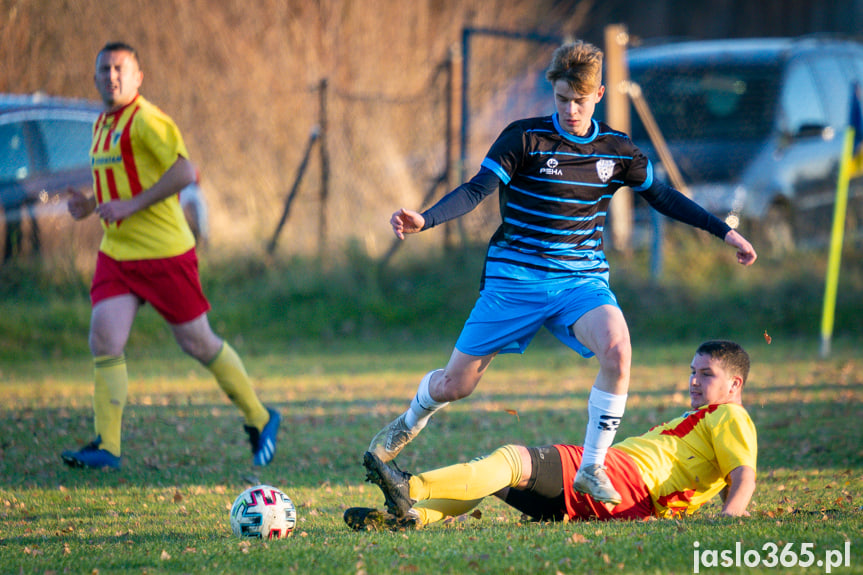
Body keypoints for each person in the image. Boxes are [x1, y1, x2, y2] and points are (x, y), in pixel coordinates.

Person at [368, 40, 758, 505]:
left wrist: (724, 231)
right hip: (514, 281)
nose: (570, 109)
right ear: (552, 94)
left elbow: (664, 196)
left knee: (617, 349)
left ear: (599, 94)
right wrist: (425, 219)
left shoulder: (617, 150)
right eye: (561, 99)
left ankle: (592, 466)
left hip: (580, 282)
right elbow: (477, 190)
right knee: (457, 385)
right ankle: (410, 420)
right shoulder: (524, 139)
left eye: (579, 100)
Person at [60, 42, 279, 470]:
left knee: (197, 342)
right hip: (117, 254)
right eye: (104, 69)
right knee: (104, 339)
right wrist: (90, 204)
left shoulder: (148, 120)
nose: (112, 76)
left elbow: (185, 171)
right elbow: (118, 181)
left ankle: (262, 416)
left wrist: (130, 205)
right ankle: (108, 446)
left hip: (164, 254)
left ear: (138, 77)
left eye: (120, 69)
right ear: (95, 76)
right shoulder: (103, 124)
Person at [347, 340, 757, 530]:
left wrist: (729, 520)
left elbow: (742, 476)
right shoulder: (709, 419)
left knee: (510, 460)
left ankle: (409, 486)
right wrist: (725, 505)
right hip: (625, 493)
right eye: (692, 372)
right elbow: (722, 476)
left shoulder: (730, 416)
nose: (694, 381)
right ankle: (412, 517)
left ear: (735, 384)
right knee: (497, 479)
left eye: (706, 375)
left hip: (625, 480)